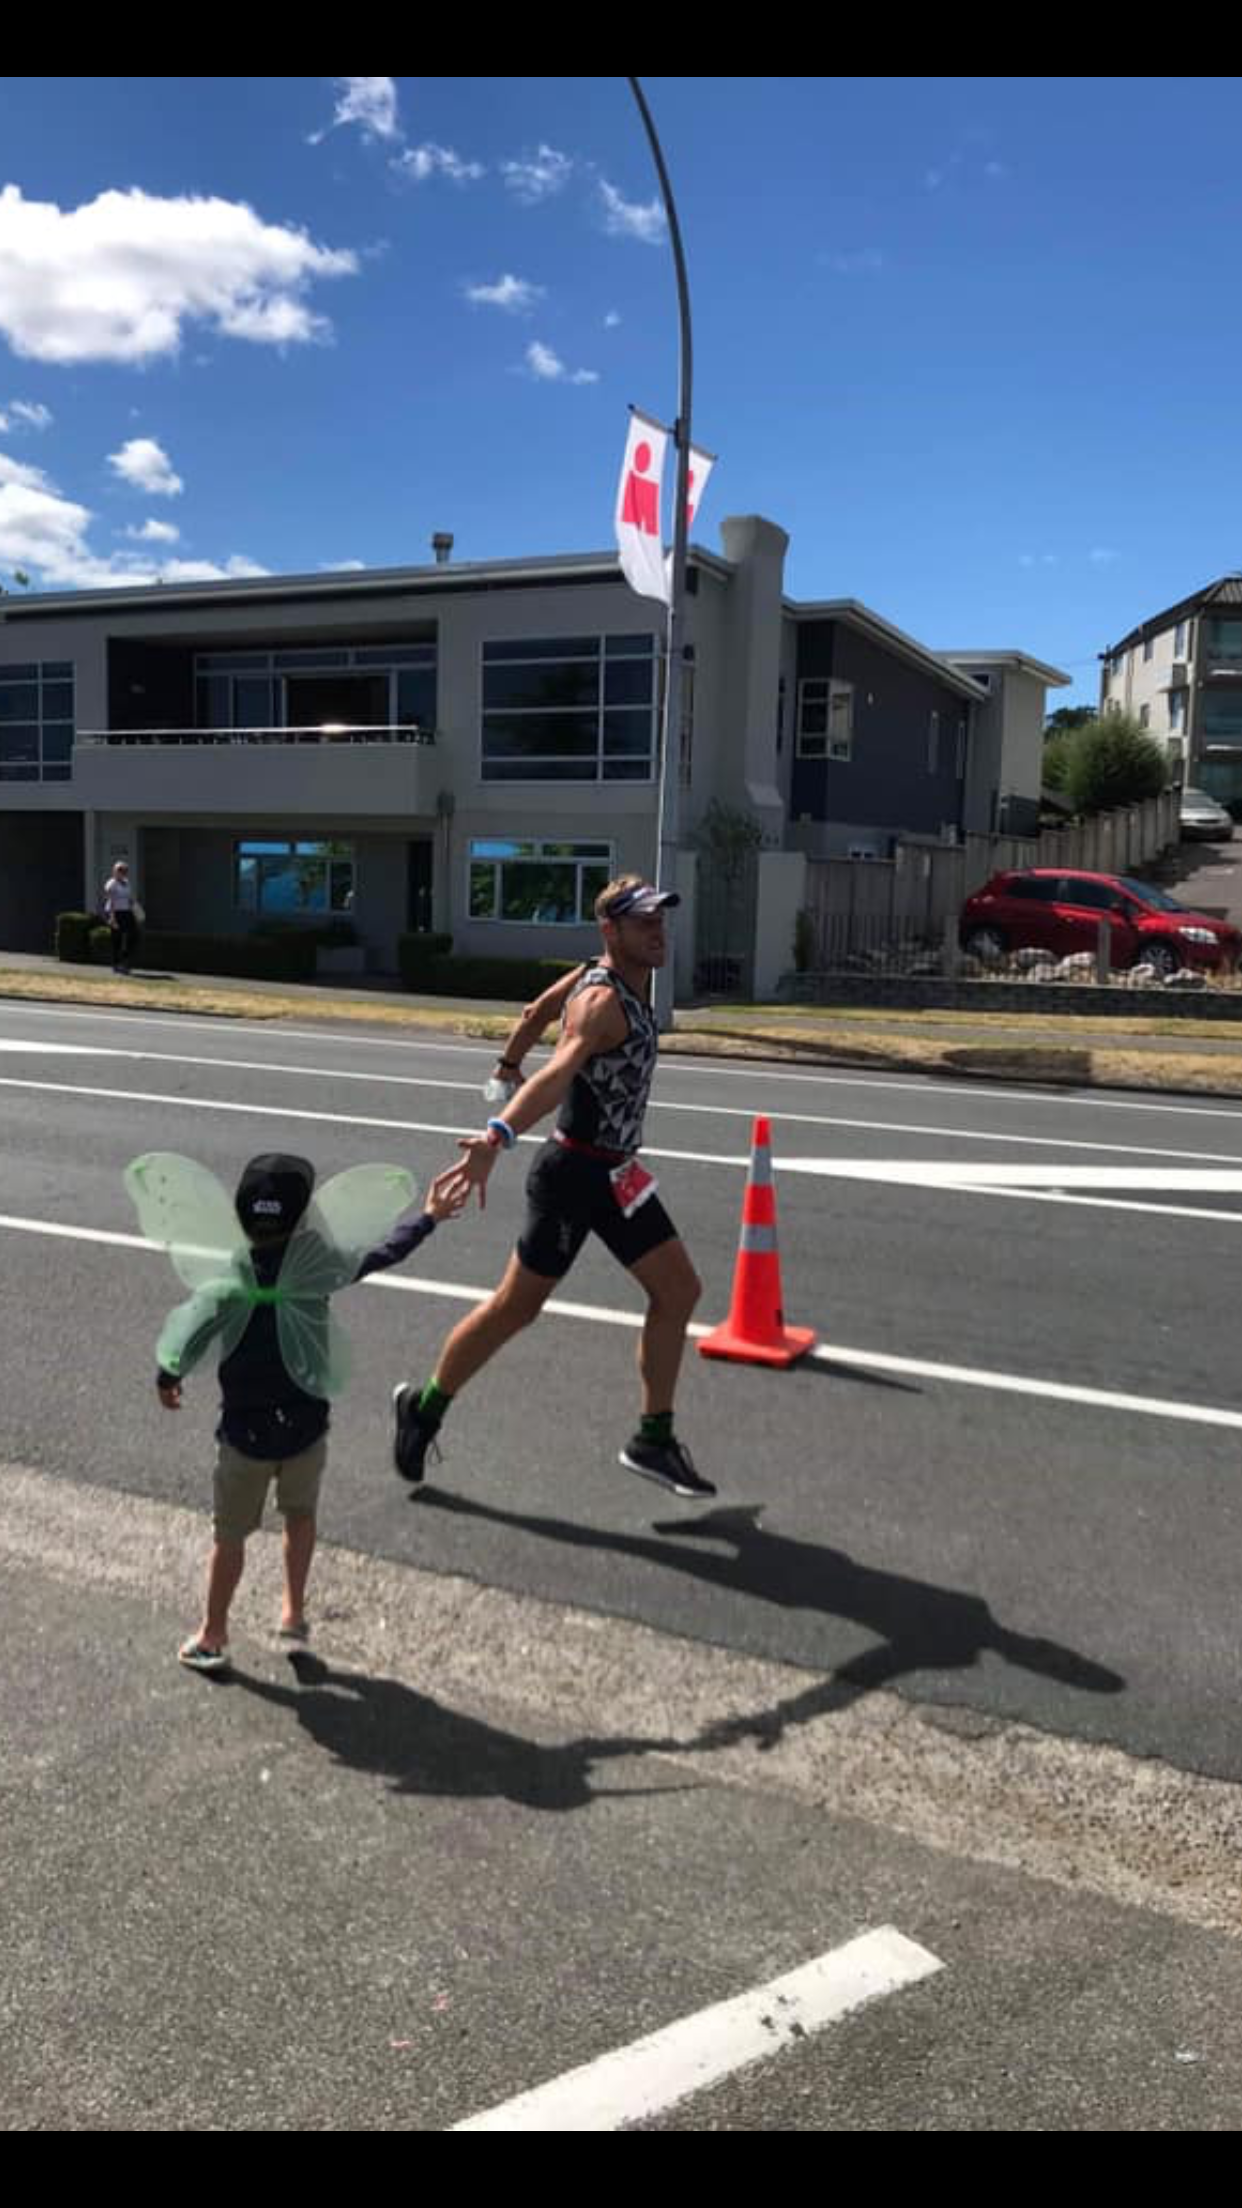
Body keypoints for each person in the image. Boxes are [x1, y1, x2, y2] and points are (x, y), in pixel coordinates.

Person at [392, 876, 715, 1500]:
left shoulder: (609, 977)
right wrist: (497, 1134)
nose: (658, 931)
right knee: (517, 1308)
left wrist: (505, 1062)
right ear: (610, 930)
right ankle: (423, 1409)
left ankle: (653, 1437)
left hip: (618, 1174)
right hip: (572, 1175)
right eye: (644, 921)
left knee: (679, 1291)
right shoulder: (602, 1003)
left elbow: (535, 1012)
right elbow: (561, 1070)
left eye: (661, 920)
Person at [158, 1152, 465, 1673]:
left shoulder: (229, 1271)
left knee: (229, 1536)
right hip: (305, 1427)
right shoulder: (317, 1266)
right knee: (299, 1517)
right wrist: (429, 1216)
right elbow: (380, 1252)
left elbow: (193, 1329)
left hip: (243, 1433)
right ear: (303, 1220)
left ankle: (213, 1633)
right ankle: (293, 1611)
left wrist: (169, 1374)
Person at [102, 858, 140, 973]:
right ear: (114, 871)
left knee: (134, 935)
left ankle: (124, 961)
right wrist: (112, 918)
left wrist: (137, 911)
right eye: (120, 870)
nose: (122, 872)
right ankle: (116, 965)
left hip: (127, 912)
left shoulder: (127, 882)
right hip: (115, 912)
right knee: (116, 940)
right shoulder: (111, 883)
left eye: (124, 870)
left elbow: (130, 898)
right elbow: (111, 900)